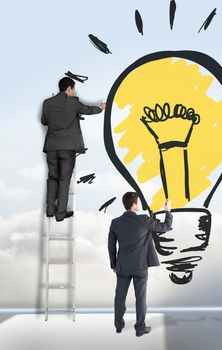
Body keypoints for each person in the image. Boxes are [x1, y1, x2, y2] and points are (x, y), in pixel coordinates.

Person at [41, 77, 106, 221]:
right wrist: (100, 108)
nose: (74, 91)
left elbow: (44, 121)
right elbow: (88, 110)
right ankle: (60, 214)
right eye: (73, 89)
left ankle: (50, 210)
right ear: (69, 89)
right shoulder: (73, 102)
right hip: (67, 148)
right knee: (64, 180)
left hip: (51, 147)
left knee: (52, 177)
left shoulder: (47, 103)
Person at [108, 192, 173, 337]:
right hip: (140, 266)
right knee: (140, 298)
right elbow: (165, 227)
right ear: (133, 205)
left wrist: (113, 264)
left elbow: (111, 246)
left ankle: (118, 326)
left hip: (122, 266)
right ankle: (140, 328)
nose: (139, 205)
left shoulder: (115, 223)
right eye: (137, 203)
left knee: (119, 297)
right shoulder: (144, 219)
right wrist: (167, 211)